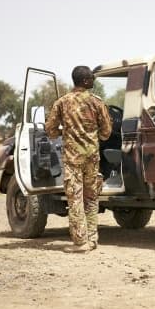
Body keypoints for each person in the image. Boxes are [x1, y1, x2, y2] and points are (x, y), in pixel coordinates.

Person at [45, 65, 112, 253]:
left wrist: (65, 131)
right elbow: (106, 133)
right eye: (91, 78)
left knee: (75, 199)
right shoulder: (97, 103)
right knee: (91, 198)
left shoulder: (62, 103)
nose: (93, 80)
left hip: (72, 160)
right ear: (84, 81)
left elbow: (50, 130)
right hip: (92, 158)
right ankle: (92, 238)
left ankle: (81, 242)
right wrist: (92, 133)